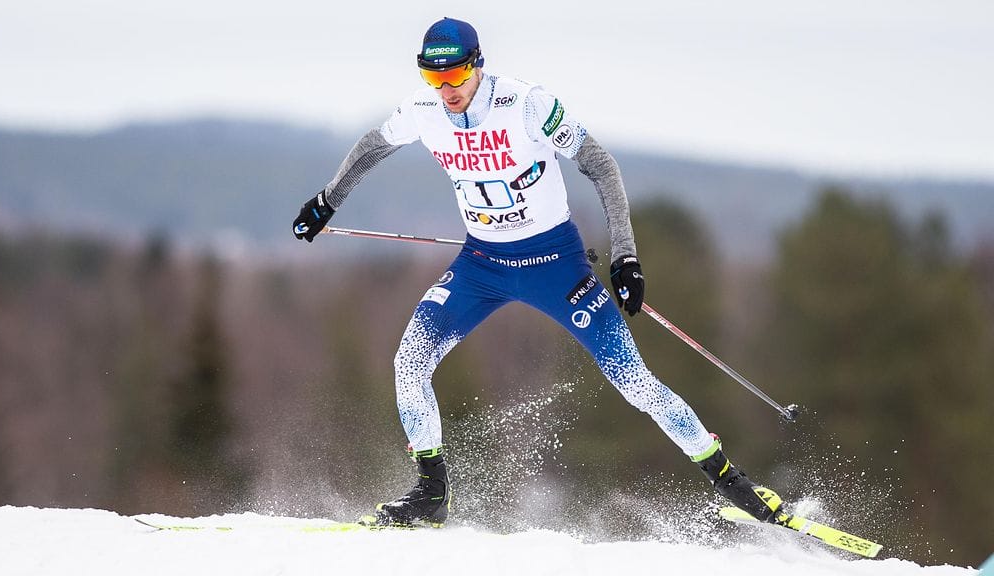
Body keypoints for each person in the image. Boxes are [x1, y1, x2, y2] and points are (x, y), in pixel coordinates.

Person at [293, 17, 785, 528]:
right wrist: (329, 200)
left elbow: (601, 165)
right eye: (432, 78)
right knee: (409, 363)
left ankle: (732, 481)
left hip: (557, 266)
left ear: (478, 65)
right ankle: (431, 492)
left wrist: (625, 255)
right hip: (481, 265)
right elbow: (374, 144)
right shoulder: (424, 111)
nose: (446, 91)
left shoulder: (526, 104)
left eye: (456, 76)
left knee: (635, 383)